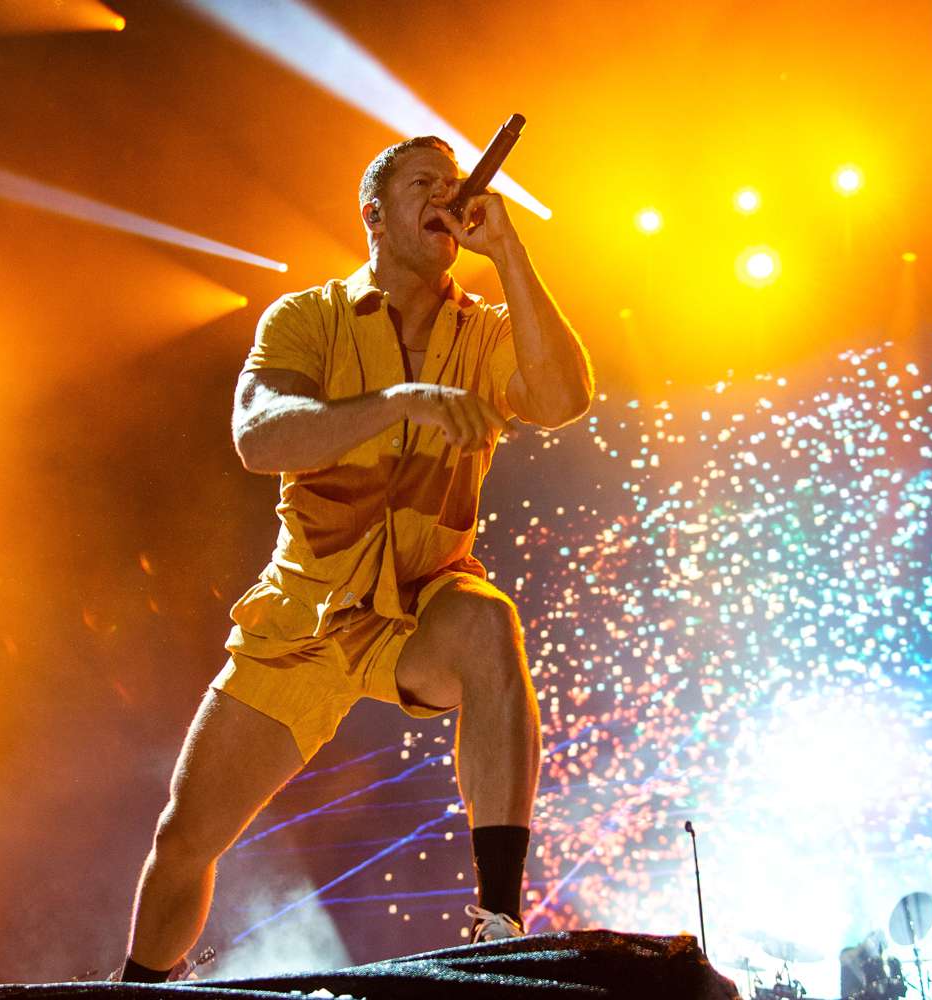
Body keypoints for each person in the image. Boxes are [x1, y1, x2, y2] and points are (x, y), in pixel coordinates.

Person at [116, 135, 594, 983]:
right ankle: (141, 986)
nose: (448, 194)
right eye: (425, 183)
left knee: (488, 624)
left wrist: (511, 249)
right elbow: (259, 438)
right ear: (374, 215)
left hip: (421, 607)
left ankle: (502, 921)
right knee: (185, 838)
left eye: (456, 184)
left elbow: (561, 398)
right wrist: (401, 402)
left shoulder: (482, 334)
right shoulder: (307, 318)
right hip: (302, 615)